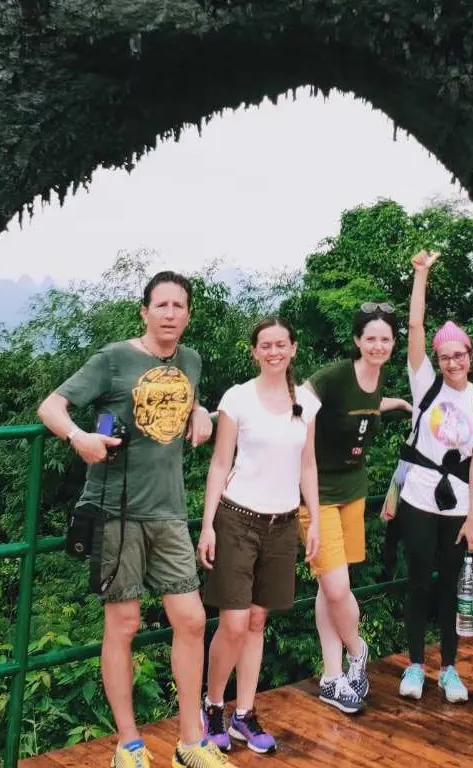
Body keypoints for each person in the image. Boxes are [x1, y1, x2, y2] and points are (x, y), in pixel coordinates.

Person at [36, 271, 224, 768]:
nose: (169, 314)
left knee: (191, 619)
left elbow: (185, 400)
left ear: (188, 315)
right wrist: (80, 438)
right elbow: (51, 406)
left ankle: (190, 740)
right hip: (115, 512)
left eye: (178, 306)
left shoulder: (191, 360)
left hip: (168, 512)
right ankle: (130, 744)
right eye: (160, 305)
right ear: (144, 312)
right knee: (123, 623)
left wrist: (201, 412)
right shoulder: (113, 360)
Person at [197, 317, 323, 755]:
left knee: (256, 621)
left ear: (293, 349)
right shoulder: (237, 398)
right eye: (265, 345)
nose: (273, 352)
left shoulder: (306, 402)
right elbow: (219, 463)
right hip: (237, 518)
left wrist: (315, 521)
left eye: (280, 344)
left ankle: (244, 715)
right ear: (254, 351)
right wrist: (208, 524)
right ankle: (212, 706)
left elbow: (308, 465)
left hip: (283, 522)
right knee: (232, 622)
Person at [388, 250, 473, 703]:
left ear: (470, 356)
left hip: (457, 506)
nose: (453, 362)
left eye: (459, 355)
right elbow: (414, 329)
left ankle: (449, 668)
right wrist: (421, 275)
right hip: (417, 497)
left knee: (453, 587)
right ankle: (415, 664)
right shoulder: (426, 386)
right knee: (418, 583)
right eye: (445, 356)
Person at [297, 302, 411, 715]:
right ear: (357, 341)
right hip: (317, 494)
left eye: (385, 339)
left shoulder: (377, 377)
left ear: (392, 344)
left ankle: (332, 678)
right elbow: (298, 400)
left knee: (329, 589)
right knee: (339, 588)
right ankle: (359, 650)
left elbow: (369, 405)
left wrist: (400, 405)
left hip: (354, 490)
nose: (378, 345)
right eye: (370, 339)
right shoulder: (333, 376)